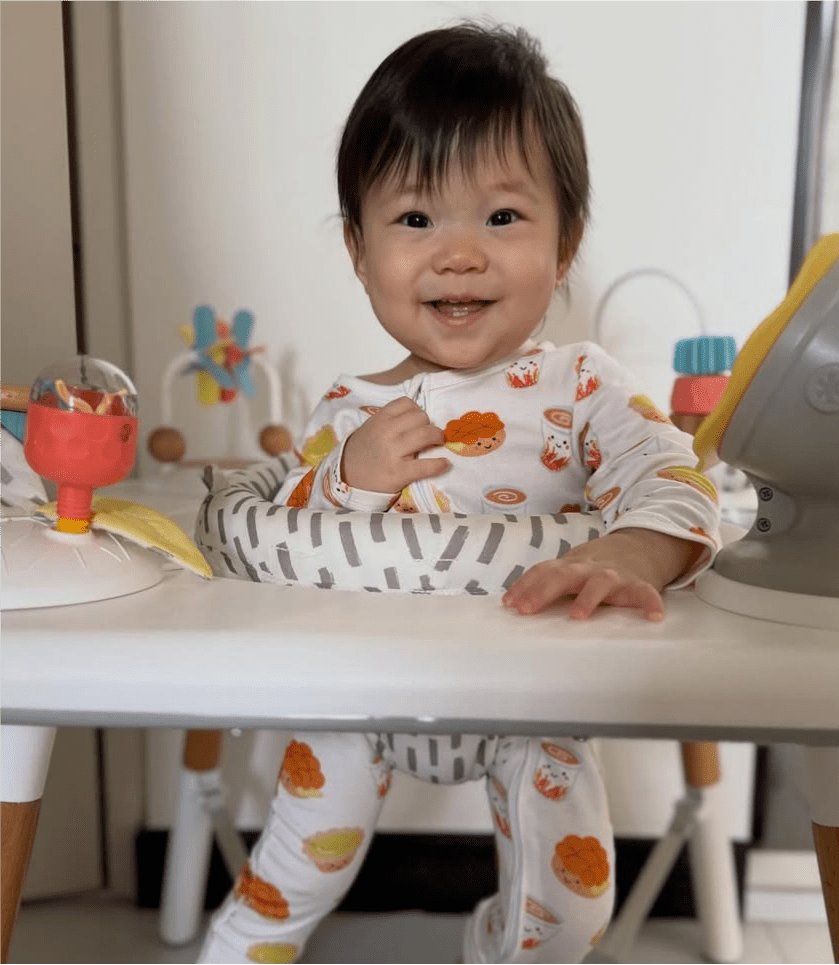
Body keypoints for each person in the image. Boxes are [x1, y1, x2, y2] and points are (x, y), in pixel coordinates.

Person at [199, 21, 720, 965]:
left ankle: (492, 948)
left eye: (502, 218)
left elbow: (675, 477)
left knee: (567, 915)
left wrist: (621, 555)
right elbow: (285, 538)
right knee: (288, 883)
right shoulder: (350, 406)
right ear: (358, 251)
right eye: (413, 219)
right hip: (359, 702)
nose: (458, 255)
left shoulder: (581, 384)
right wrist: (347, 478)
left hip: (535, 695)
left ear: (566, 246)